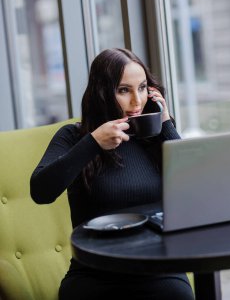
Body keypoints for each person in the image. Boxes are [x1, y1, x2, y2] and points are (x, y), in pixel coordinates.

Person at [30, 48, 194, 300]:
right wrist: (93, 142)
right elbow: (40, 192)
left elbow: (194, 187)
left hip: (159, 271)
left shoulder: (155, 135)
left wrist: (166, 124)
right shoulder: (74, 137)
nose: (137, 102)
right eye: (124, 90)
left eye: (141, 88)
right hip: (95, 273)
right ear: (102, 93)